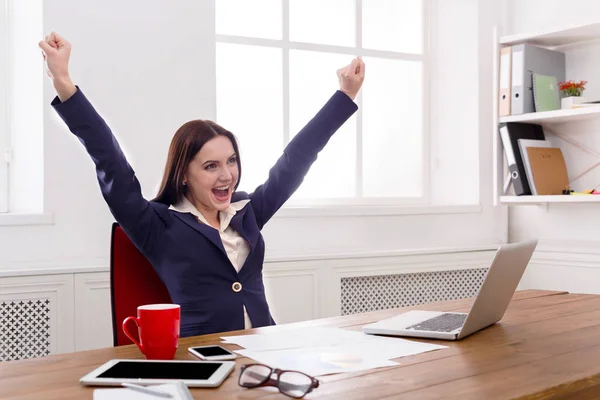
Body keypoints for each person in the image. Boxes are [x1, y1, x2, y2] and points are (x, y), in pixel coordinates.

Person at [39, 32, 365, 337]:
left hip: (266, 348)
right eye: (211, 166)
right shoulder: (156, 224)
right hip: (201, 356)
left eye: (231, 161)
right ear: (184, 173)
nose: (226, 175)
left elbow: (298, 157)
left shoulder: (246, 210)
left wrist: (345, 94)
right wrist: (63, 81)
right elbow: (110, 160)